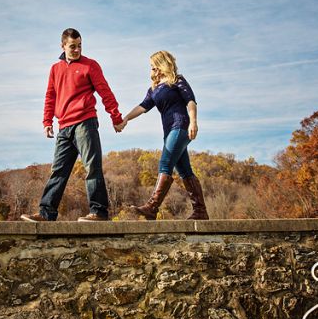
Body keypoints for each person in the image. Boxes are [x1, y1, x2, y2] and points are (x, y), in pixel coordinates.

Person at [20, 28, 124, 222]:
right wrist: (47, 121)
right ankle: (46, 213)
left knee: (92, 167)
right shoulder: (55, 69)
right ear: (63, 46)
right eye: (72, 46)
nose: (77, 50)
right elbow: (50, 96)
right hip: (64, 126)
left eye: (80, 46)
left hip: (85, 122)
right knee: (58, 170)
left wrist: (116, 117)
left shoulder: (90, 66)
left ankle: (99, 212)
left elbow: (105, 92)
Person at [116, 50, 209, 220]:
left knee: (165, 162)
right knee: (185, 171)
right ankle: (200, 211)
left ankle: (152, 206)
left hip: (180, 126)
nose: (151, 70)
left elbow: (190, 101)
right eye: (151, 67)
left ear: (161, 65)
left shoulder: (177, 80)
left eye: (153, 66)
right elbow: (142, 107)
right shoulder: (153, 89)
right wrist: (126, 119)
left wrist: (194, 121)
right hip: (169, 132)